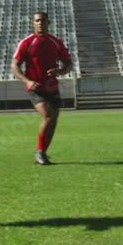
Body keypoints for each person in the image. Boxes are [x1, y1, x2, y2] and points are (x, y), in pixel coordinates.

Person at [11, 11, 73, 165]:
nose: (40, 23)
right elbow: (14, 65)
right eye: (37, 21)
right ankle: (39, 152)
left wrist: (60, 71)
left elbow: (68, 64)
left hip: (52, 87)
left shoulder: (56, 42)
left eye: (43, 20)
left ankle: (43, 152)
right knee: (48, 116)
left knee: (53, 121)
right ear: (33, 23)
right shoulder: (27, 42)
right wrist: (27, 81)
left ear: (48, 23)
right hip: (36, 88)